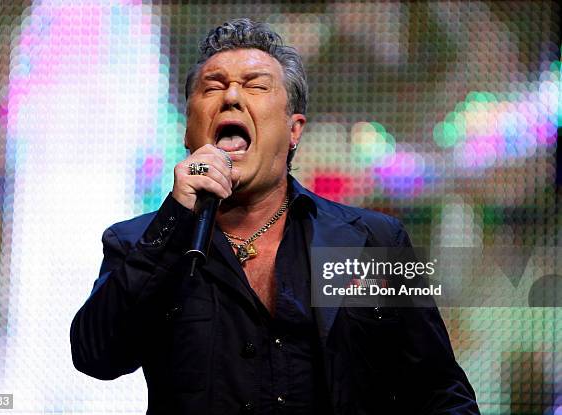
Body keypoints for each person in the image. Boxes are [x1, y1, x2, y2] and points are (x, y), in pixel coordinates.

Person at [70, 18, 480, 415]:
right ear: (188, 132)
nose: (231, 96)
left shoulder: (367, 240)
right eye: (213, 86)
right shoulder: (142, 242)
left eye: (255, 85)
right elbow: (97, 356)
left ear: (294, 130)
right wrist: (175, 217)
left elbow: (438, 390)